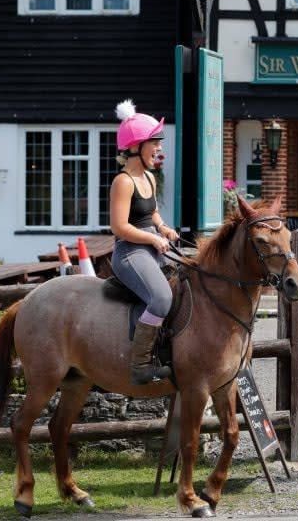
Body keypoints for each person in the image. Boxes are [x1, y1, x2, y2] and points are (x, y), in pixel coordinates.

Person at [110, 99, 179, 385]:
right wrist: (152, 236)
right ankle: (140, 366)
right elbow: (119, 226)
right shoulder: (123, 182)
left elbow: (151, 211)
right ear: (136, 145)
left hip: (151, 246)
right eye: (155, 142)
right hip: (129, 253)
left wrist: (163, 228)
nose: (160, 148)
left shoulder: (149, 177)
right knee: (162, 298)